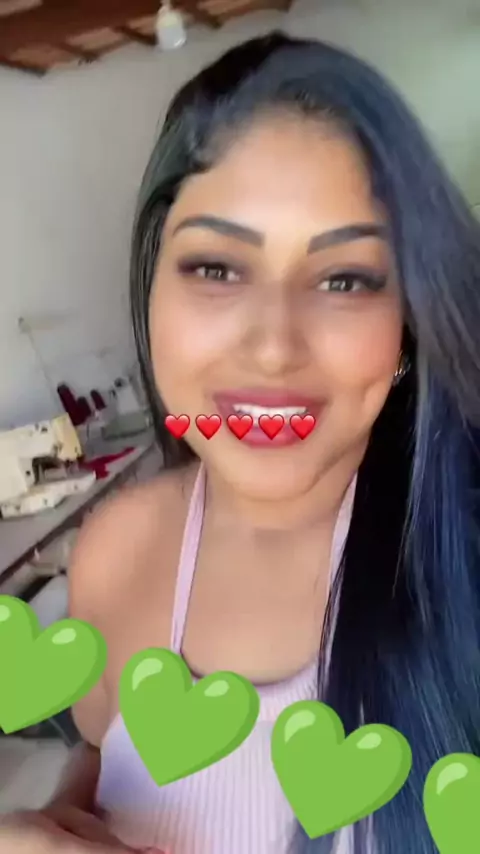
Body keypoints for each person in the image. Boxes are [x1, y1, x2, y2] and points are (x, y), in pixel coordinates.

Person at [2, 29, 480, 854]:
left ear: (408, 321)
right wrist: (53, 827)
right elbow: (112, 757)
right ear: (152, 282)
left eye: (344, 279)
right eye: (217, 268)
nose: (272, 347)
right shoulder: (116, 549)